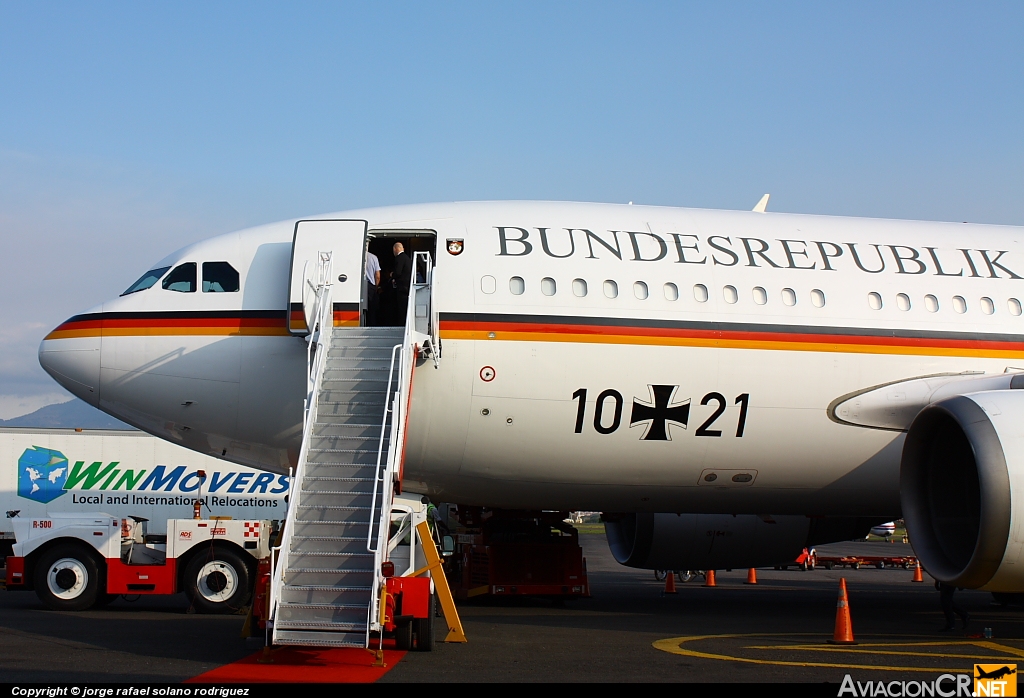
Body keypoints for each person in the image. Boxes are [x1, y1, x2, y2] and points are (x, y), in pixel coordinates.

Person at [391, 242, 412, 325]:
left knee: (401, 308)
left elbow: (398, 272)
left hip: (402, 287)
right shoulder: (408, 258)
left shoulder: (399, 258)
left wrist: (392, 275)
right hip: (408, 287)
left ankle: (401, 324)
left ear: (395, 249)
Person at [364, 248, 381, 326]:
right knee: (372, 308)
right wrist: (376, 287)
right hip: (371, 286)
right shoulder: (373, 257)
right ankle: (371, 325)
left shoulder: (358, 256)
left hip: (360, 285)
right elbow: (377, 275)